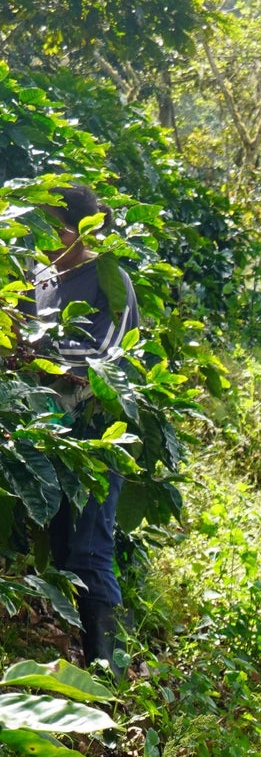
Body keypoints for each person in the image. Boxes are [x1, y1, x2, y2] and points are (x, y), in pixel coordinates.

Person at [26, 185, 138, 668]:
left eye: (53, 229)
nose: (46, 241)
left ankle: (105, 673)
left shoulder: (110, 279)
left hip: (95, 429)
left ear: (77, 231)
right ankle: (73, 653)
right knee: (60, 542)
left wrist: (37, 357)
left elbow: (105, 361)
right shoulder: (39, 277)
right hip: (45, 428)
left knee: (91, 547)